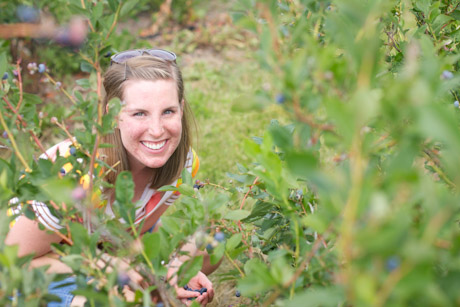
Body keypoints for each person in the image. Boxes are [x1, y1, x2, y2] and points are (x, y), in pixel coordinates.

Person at [5, 49, 216, 306]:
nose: (158, 130)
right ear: (113, 115)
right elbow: (13, 261)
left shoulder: (183, 164)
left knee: (209, 250)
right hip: (35, 268)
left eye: (168, 111)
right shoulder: (73, 178)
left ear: (181, 109)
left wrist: (173, 269)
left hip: (105, 249)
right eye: (140, 113)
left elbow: (134, 232)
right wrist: (106, 266)